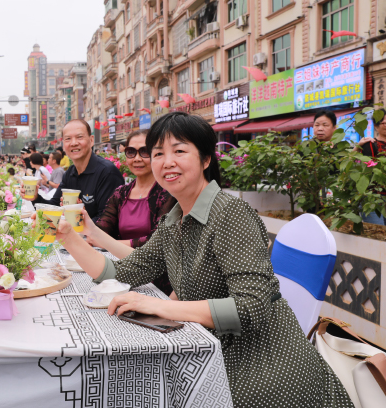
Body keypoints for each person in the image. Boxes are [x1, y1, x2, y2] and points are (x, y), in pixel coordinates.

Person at [54, 112, 353, 408]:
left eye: (179, 151)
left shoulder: (230, 214)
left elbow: (251, 307)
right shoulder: (174, 220)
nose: (166, 161)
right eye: (158, 153)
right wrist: (69, 237)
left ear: (206, 159)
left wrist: (159, 305)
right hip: (209, 353)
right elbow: (119, 273)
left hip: (262, 369)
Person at [91, 129, 175, 294]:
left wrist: (109, 243)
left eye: (144, 152)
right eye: (131, 152)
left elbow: (158, 242)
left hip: (161, 282)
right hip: (125, 275)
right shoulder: (121, 193)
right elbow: (101, 230)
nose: (137, 158)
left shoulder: (169, 193)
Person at [42, 120, 125, 220]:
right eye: (68, 139)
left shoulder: (107, 172)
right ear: (64, 145)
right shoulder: (70, 173)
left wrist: (81, 219)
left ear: (91, 140)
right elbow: (54, 206)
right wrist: (34, 197)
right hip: (78, 234)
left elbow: (108, 220)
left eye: (79, 137)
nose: (74, 143)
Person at [358, 109, 386, 225]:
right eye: (383, 123)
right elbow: (368, 170)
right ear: (376, 126)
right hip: (373, 197)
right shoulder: (370, 144)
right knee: (377, 234)